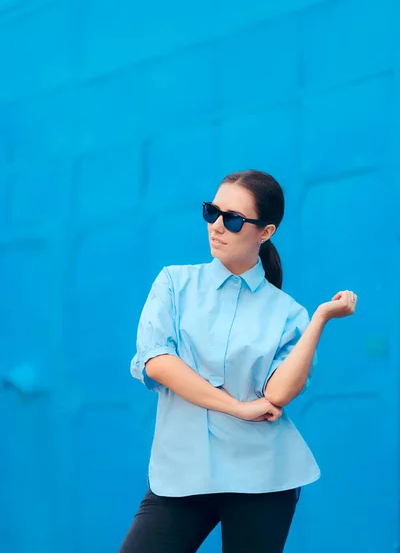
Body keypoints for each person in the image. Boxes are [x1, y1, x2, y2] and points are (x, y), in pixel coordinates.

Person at [119, 170, 357, 553]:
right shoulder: (173, 284)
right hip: (180, 474)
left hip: (264, 476)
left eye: (232, 219)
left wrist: (319, 319)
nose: (216, 226)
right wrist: (239, 408)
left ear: (265, 232)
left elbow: (277, 393)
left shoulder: (288, 313)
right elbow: (156, 362)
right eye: (212, 212)